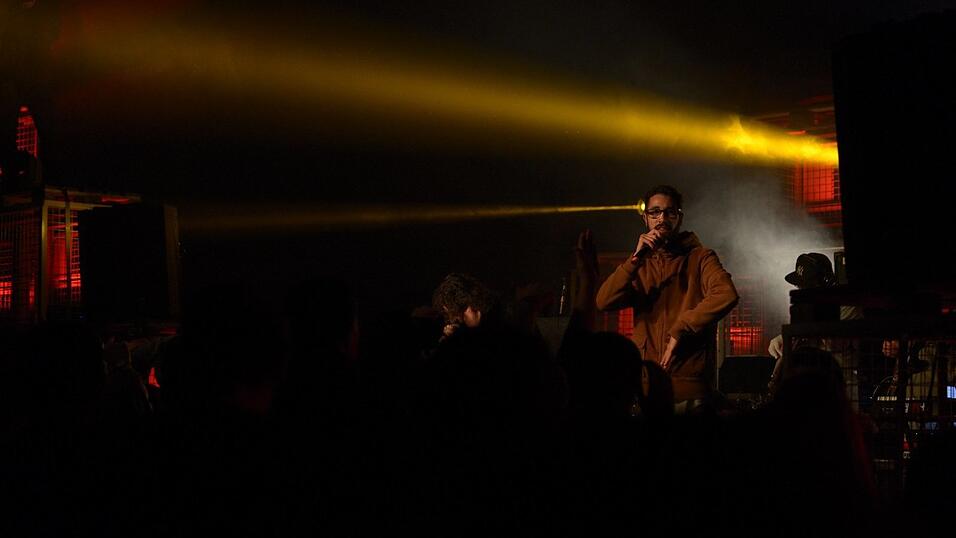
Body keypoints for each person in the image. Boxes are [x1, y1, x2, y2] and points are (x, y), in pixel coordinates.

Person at [596, 184, 739, 413]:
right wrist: (634, 261)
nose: (662, 218)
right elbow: (604, 301)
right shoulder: (639, 266)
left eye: (669, 212)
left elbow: (726, 294)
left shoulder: (700, 257)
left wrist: (680, 328)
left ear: (679, 218)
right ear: (645, 218)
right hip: (646, 390)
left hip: (690, 392)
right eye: (655, 212)